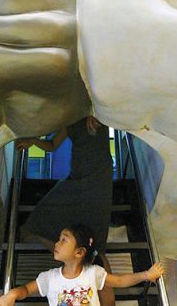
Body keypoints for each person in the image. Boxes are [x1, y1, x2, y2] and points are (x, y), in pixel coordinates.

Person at [15, 116, 115, 304]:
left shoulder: (101, 110)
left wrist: (97, 113)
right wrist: (33, 142)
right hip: (77, 177)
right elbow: (52, 145)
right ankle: (71, 258)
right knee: (38, 220)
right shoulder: (68, 117)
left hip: (99, 178)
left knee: (98, 247)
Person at [0, 224, 165, 306]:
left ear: (79, 252)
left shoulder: (93, 273)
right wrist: (13, 294)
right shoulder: (49, 277)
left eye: (63, 240)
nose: (56, 243)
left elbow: (120, 282)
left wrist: (146, 275)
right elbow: (27, 290)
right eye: (59, 239)